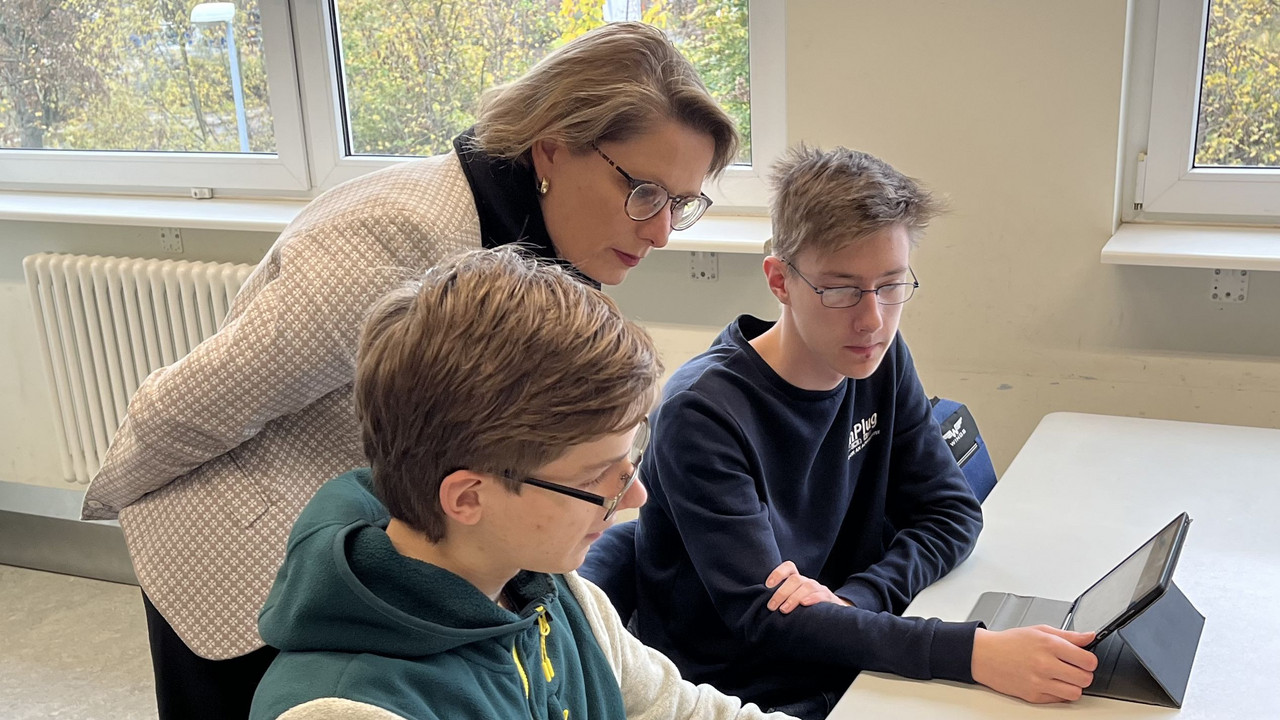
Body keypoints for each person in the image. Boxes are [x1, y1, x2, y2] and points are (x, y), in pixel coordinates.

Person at [79, 22, 737, 720]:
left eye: (682, 204)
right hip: (241, 543)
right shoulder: (399, 236)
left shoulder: (550, 240)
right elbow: (201, 401)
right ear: (552, 147)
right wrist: (106, 498)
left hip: (397, 525)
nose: (663, 230)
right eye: (644, 192)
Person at [620, 145, 1099, 718]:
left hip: (854, 654)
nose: (872, 320)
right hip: (752, 693)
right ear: (779, 279)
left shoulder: (879, 358)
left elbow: (952, 512)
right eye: (841, 290)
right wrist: (972, 654)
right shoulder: (704, 414)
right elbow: (765, 622)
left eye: (891, 286)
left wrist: (857, 597)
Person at [248, 247, 794, 720]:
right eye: (593, 478)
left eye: (629, 461)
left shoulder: (558, 593)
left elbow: (684, 710)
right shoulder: (347, 706)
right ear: (468, 497)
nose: (634, 496)